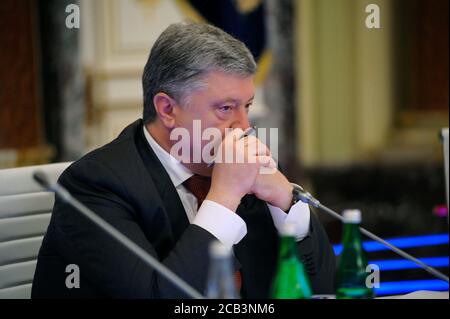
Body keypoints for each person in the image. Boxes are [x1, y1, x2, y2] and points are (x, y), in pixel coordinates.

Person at [31, 22, 335, 299]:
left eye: (248, 106)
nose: (244, 127)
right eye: (226, 108)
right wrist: (223, 199)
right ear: (167, 109)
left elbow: (323, 290)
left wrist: (286, 203)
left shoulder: (246, 166)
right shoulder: (94, 186)